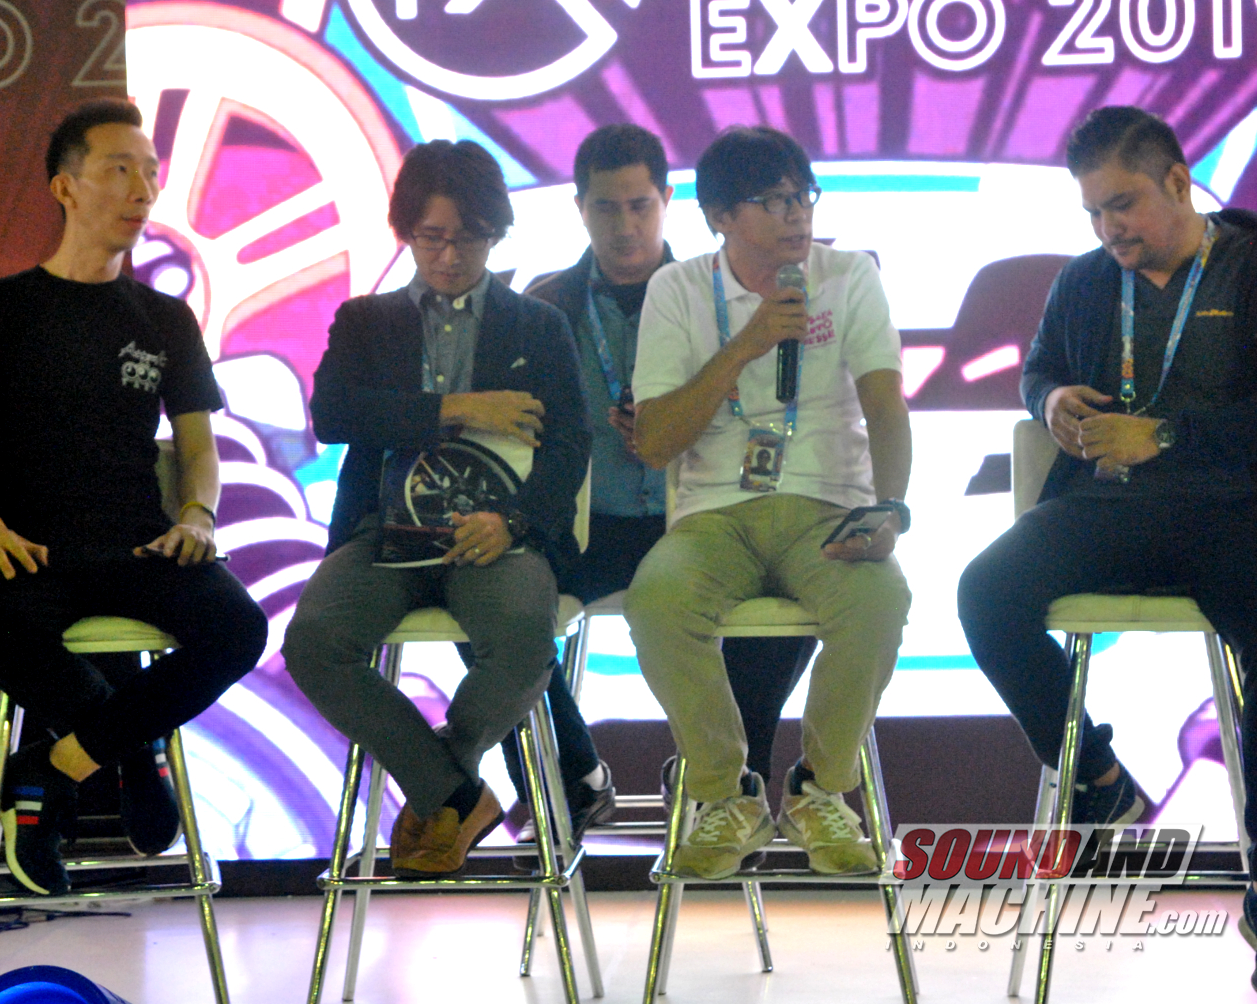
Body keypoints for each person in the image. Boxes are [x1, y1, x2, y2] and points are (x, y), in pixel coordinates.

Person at [956, 106, 1257, 1003]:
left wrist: (1163, 435)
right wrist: (1050, 401)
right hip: (1109, 508)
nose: (1108, 230)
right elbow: (1039, 368)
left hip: (1242, 510)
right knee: (984, 592)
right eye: (1093, 212)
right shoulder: (1088, 280)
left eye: (1122, 205)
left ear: (1177, 180)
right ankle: (1096, 776)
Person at [0, 99, 269, 896]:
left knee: (238, 628)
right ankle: (133, 751)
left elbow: (198, 450)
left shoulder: (165, 318)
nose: (142, 189)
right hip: (30, 546)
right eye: (120, 170)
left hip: (139, 543)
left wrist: (197, 516)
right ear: (65, 187)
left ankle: (51, 769)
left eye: (150, 173)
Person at [283, 140, 589, 877]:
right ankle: (455, 793)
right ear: (407, 233)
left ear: (496, 233)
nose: (450, 257)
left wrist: (512, 522)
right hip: (382, 532)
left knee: (525, 640)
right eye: (432, 238)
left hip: (495, 537)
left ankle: (444, 783)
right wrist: (457, 408)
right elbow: (334, 414)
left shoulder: (538, 325)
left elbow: (571, 446)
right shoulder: (366, 320)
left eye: (468, 239)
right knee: (312, 643)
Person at [510, 124, 816, 836]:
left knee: (792, 587)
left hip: (697, 519)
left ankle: (727, 771)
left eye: (640, 205)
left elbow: (780, 416)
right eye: (606, 207)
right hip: (588, 528)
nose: (625, 226)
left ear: (668, 201)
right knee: (496, 606)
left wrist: (681, 422)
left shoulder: (726, 292)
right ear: (578, 208)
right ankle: (569, 775)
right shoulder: (545, 307)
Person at [624, 126, 913, 879]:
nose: (796, 214)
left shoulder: (848, 276)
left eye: (803, 196)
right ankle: (727, 791)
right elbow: (655, 442)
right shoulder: (677, 289)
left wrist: (889, 510)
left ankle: (820, 786)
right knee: (656, 601)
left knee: (881, 599)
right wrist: (743, 346)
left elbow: (886, 407)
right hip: (714, 516)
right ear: (720, 216)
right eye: (773, 200)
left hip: (826, 508)